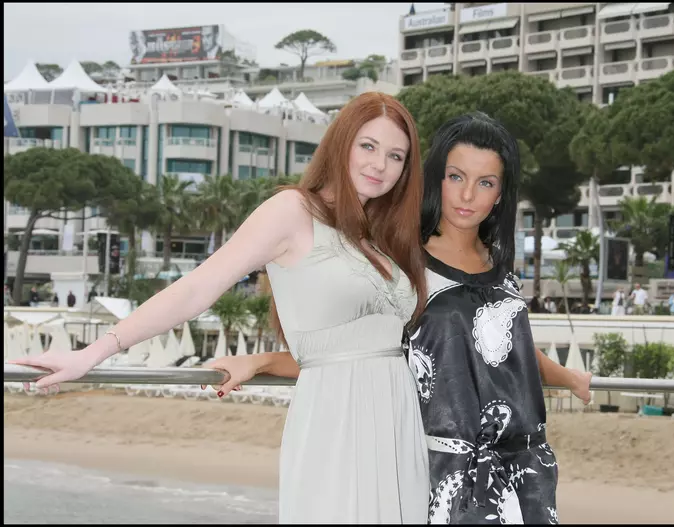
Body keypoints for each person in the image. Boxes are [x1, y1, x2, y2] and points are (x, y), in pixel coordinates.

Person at [11, 92, 431, 524]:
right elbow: (196, 289)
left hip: (397, 422)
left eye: (395, 156)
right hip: (338, 421)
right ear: (341, 143)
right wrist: (93, 352)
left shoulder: (378, 238)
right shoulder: (292, 211)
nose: (380, 165)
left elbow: (354, 345)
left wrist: (264, 359)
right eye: (368, 146)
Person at [405, 113, 591, 524]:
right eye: (456, 176)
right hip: (443, 470)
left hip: (525, 466)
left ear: (500, 195)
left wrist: (569, 376)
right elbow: (364, 348)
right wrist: (258, 362)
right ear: (436, 177)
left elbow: (512, 354)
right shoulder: (405, 265)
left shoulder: (502, 269)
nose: (467, 194)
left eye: (485, 182)